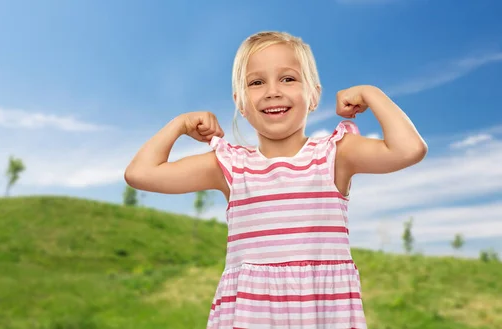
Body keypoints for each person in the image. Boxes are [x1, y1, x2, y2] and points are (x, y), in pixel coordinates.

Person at [124, 31, 427, 329]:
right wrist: (180, 124)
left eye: (288, 78)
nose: (272, 91)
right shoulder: (230, 166)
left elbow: (408, 149)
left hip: (321, 313)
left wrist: (370, 93)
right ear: (240, 103)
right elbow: (140, 174)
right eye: (256, 82)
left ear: (314, 95)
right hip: (252, 314)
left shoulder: (335, 155)